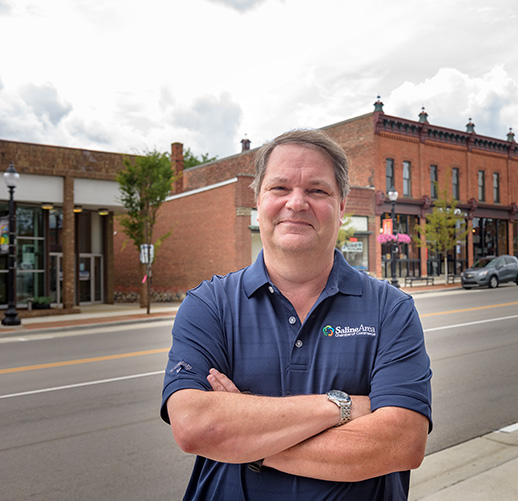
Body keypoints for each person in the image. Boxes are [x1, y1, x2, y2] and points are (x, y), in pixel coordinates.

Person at [161, 129, 433, 500]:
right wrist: (346, 406)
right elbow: (195, 427)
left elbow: (400, 443)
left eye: (317, 191)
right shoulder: (210, 304)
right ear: (258, 201)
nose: (297, 203)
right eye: (279, 188)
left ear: (341, 207)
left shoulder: (391, 310)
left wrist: (245, 440)